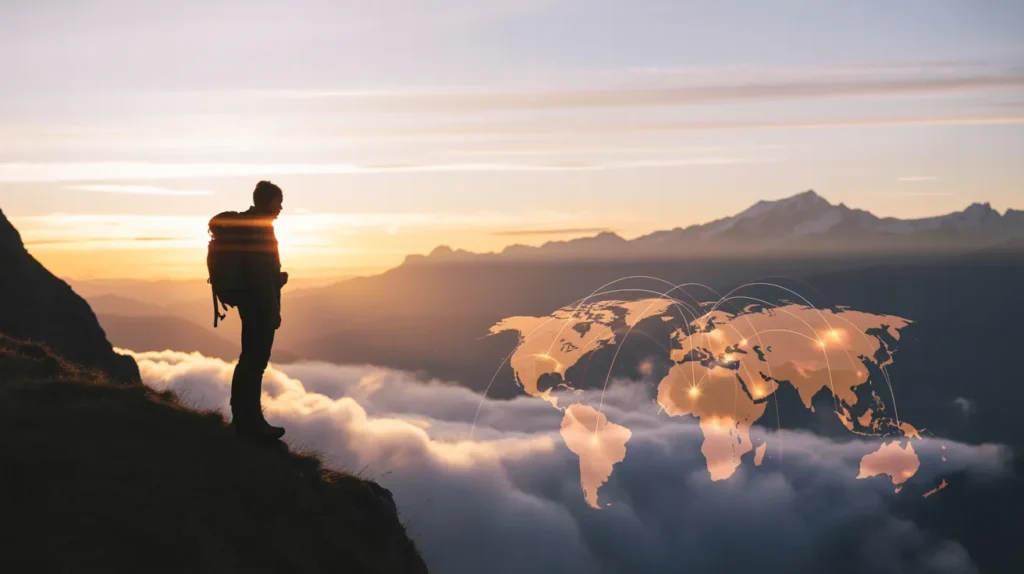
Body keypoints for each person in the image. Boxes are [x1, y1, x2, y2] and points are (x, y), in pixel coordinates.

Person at [229, 181, 289, 441]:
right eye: (278, 202)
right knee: (255, 364)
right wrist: (272, 311)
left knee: (248, 362)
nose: (281, 207)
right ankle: (251, 421)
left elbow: (260, 272)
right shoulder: (261, 230)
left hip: (250, 304)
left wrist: (277, 279)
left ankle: (243, 418)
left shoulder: (248, 225)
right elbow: (261, 275)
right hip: (259, 307)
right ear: (267, 201)